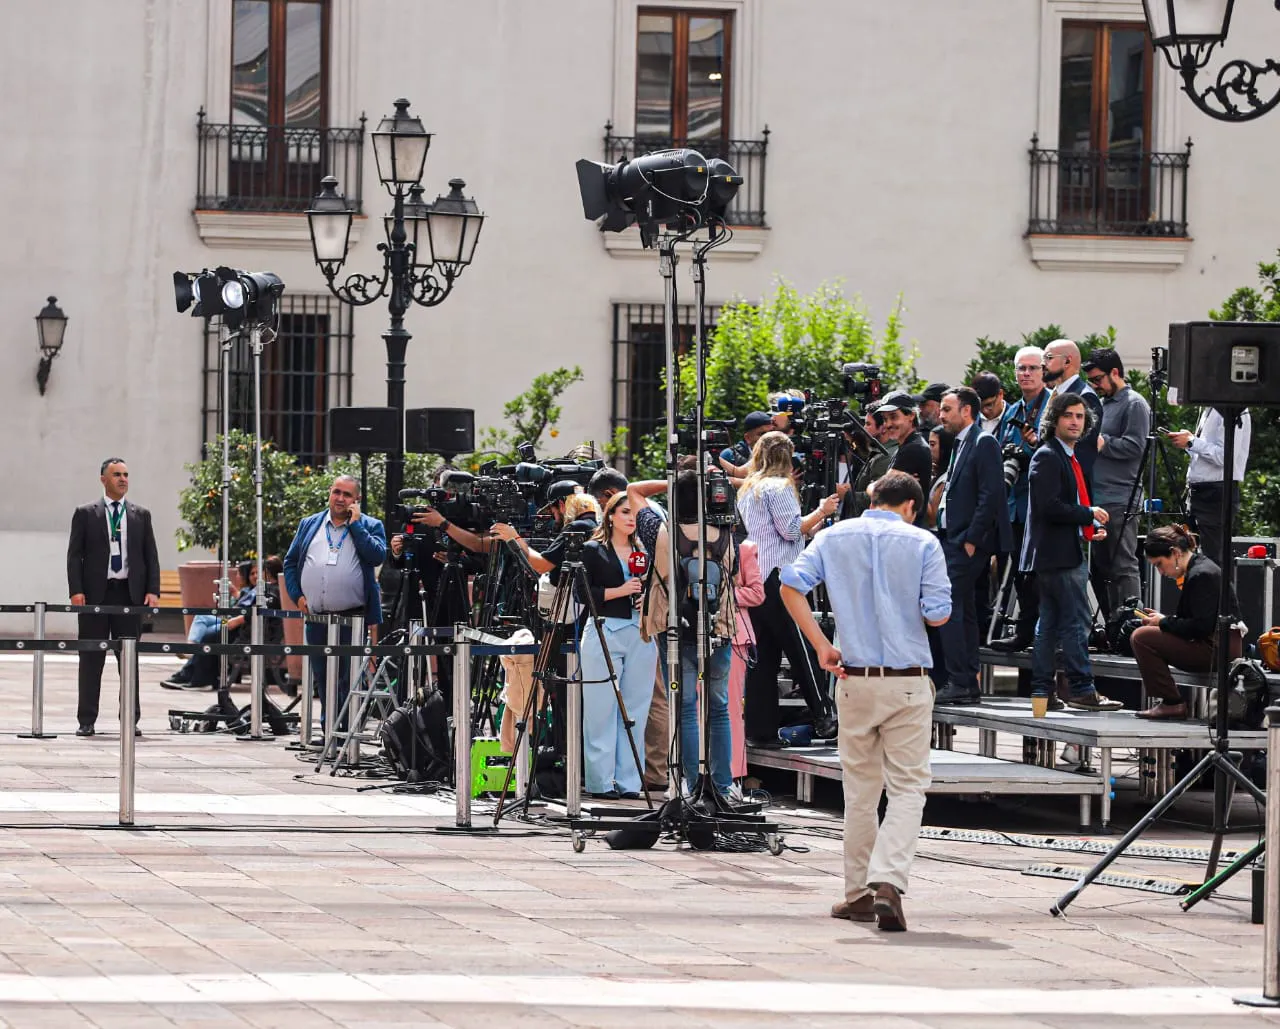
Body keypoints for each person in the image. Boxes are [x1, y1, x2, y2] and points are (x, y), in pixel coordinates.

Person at [780, 470, 951, 933]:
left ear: (872, 498)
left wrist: (821, 645)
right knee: (908, 787)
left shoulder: (834, 536)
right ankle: (889, 880)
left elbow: (789, 585)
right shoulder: (923, 543)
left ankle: (857, 893)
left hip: (853, 677)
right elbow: (938, 615)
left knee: (859, 791)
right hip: (907, 680)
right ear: (911, 506)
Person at [736, 431, 839, 745]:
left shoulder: (748, 489)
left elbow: (783, 532)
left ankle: (760, 729)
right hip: (779, 577)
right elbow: (791, 530)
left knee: (763, 657)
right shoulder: (779, 487)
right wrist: (823, 510)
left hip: (756, 575)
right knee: (801, 649)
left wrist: (813, 523)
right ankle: (824, 716)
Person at [1021, 392, 1122, 711]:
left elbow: (1060, 508)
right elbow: (1049, 507)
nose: (1075, 422)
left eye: (1080, 416)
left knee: (1049, 625)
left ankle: (1042, 693)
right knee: (1076, 622)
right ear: (1054, 420)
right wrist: (1087, 514)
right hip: (1059, 557)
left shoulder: (1064, 456)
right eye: (1068, 415)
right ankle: (1082, 689)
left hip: (1061, 552)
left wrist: (1086, 527)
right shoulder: (1049, 456)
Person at [648, 469, 743, 796]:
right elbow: (733, 573)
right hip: (719, 628)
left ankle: (691, 786)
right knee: (719, 707)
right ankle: (723, 785)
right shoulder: (724, 534)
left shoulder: (666, 532)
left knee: (687, 707)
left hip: (677, 629)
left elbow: (661, 575)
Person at [283, 475, 386, 729]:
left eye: (347, 494)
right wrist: (297, 596)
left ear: (357, 499)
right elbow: (290, 562)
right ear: (330, 492)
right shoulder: (310, 524)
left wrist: (356, 525)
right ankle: (329, 731)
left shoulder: (371, 525)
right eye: (336, 492)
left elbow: (376, 556)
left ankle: (347, 733)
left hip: (352, 617)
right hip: (317, 617)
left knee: (348, 679)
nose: (340, 498)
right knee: (323, 677)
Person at [67, 457, 160, 737]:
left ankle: (130, 719)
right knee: (91, 658)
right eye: (117, 474)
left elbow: (150, 555)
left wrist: (152, 590)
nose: (123, 479)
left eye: (126, 474)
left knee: (128, 660)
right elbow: (74, 556)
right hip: (95, 595)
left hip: (128, 595)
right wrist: (76, 590)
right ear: (103, 479)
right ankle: (86, 720)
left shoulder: (140, 514)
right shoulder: (86, 513)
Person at [933, 387, 1011, 706]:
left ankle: (959, 680)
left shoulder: (984, 442)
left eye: (947, 409)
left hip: (965, 542)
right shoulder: (961, 442)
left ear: (966, 411)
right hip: (951, 538)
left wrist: (971, 539)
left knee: (949, 607)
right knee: (962, 610)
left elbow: (990, 495)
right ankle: (966, 682)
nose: (941, 415)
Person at [578, 492, 659, 799]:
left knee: (636, 710)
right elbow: (582, 593)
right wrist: (620, 590)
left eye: (634, 513)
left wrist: (647, 598)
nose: (630, 518)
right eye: (624, 512)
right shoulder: (593, 549)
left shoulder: (646, 550)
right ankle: (601, 782)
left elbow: (662, 587)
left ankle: (629, 782)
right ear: (610, 515)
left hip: (641, 633)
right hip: (604, 630)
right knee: (600, 709)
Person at [1129, 525, 1243, 720]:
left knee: (1141, 637)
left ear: (1175, 553)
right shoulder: (1200, 568)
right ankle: (1170, 702)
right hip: (1217, 643)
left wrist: (1163, 622)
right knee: (1146, 635)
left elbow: (1200, 627)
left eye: (1159, 564)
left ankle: (1171, 702)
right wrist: (1163, 620)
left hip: (1217, 648)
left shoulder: (1201, 574)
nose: (1160, 572)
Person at [1082, 348, 1151, 617]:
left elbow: (1136, 447)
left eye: (1098, 379)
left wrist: (1103, 443)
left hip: (1122, 498)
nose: (1095, 385)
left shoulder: (1134, 404)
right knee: (1102, 567)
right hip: (1099, 499)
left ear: (1115, 372)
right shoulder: (1102, 404)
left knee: (1123, 564)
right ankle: (1112, 622)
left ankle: (1131, 623)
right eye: (1091, 381)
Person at [990, 346, 1050, 651]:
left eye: (1032, 368)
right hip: (1013, 503)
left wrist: (1035, 446)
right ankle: (1024, 631)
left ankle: (1039, 632)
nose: (1026, 374)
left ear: (1044, 371)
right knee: (1016, 571)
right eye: (1021, 369)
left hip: (1040, 503)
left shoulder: (1053, 406)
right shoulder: (1012, 411)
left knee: (1038, 573)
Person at [1167, 408, 1252, 571]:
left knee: (1213, 560)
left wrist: (1192, 441)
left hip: (1216, 492)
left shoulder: (1233, 410)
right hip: (1199, 492)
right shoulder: (1209, 408)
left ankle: (1220, 588)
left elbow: (1224, 456)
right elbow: (1206, 455)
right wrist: (1189, 443)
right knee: (1198, 559)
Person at [728, 537, 765, 784]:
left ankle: (733, 776)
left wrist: (724, 594)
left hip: (734, 636)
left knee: (730, 708)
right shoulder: (688, 543)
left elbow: (757, 593)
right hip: (695, 635)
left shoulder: (744, 548)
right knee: (694, 708)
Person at [1042, 338, 1102, 486]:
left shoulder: (1085, 396)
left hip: (1067, 487)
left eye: (1049, 357)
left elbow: (1084, 452)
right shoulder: (1055, 394)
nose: (1043, 364)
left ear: (1067, 361)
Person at [719, 411, 774, 484]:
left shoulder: (778, 453)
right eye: (762, 434)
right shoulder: (730, 455)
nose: (768, 438)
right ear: (748, 438)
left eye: (771, 432)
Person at [925, 425, 955, 530]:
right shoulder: (935, 472)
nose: (929, 448)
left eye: (932, 444)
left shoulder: (946, 479)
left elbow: (933, 518)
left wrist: (918, 486)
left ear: (944, 447)